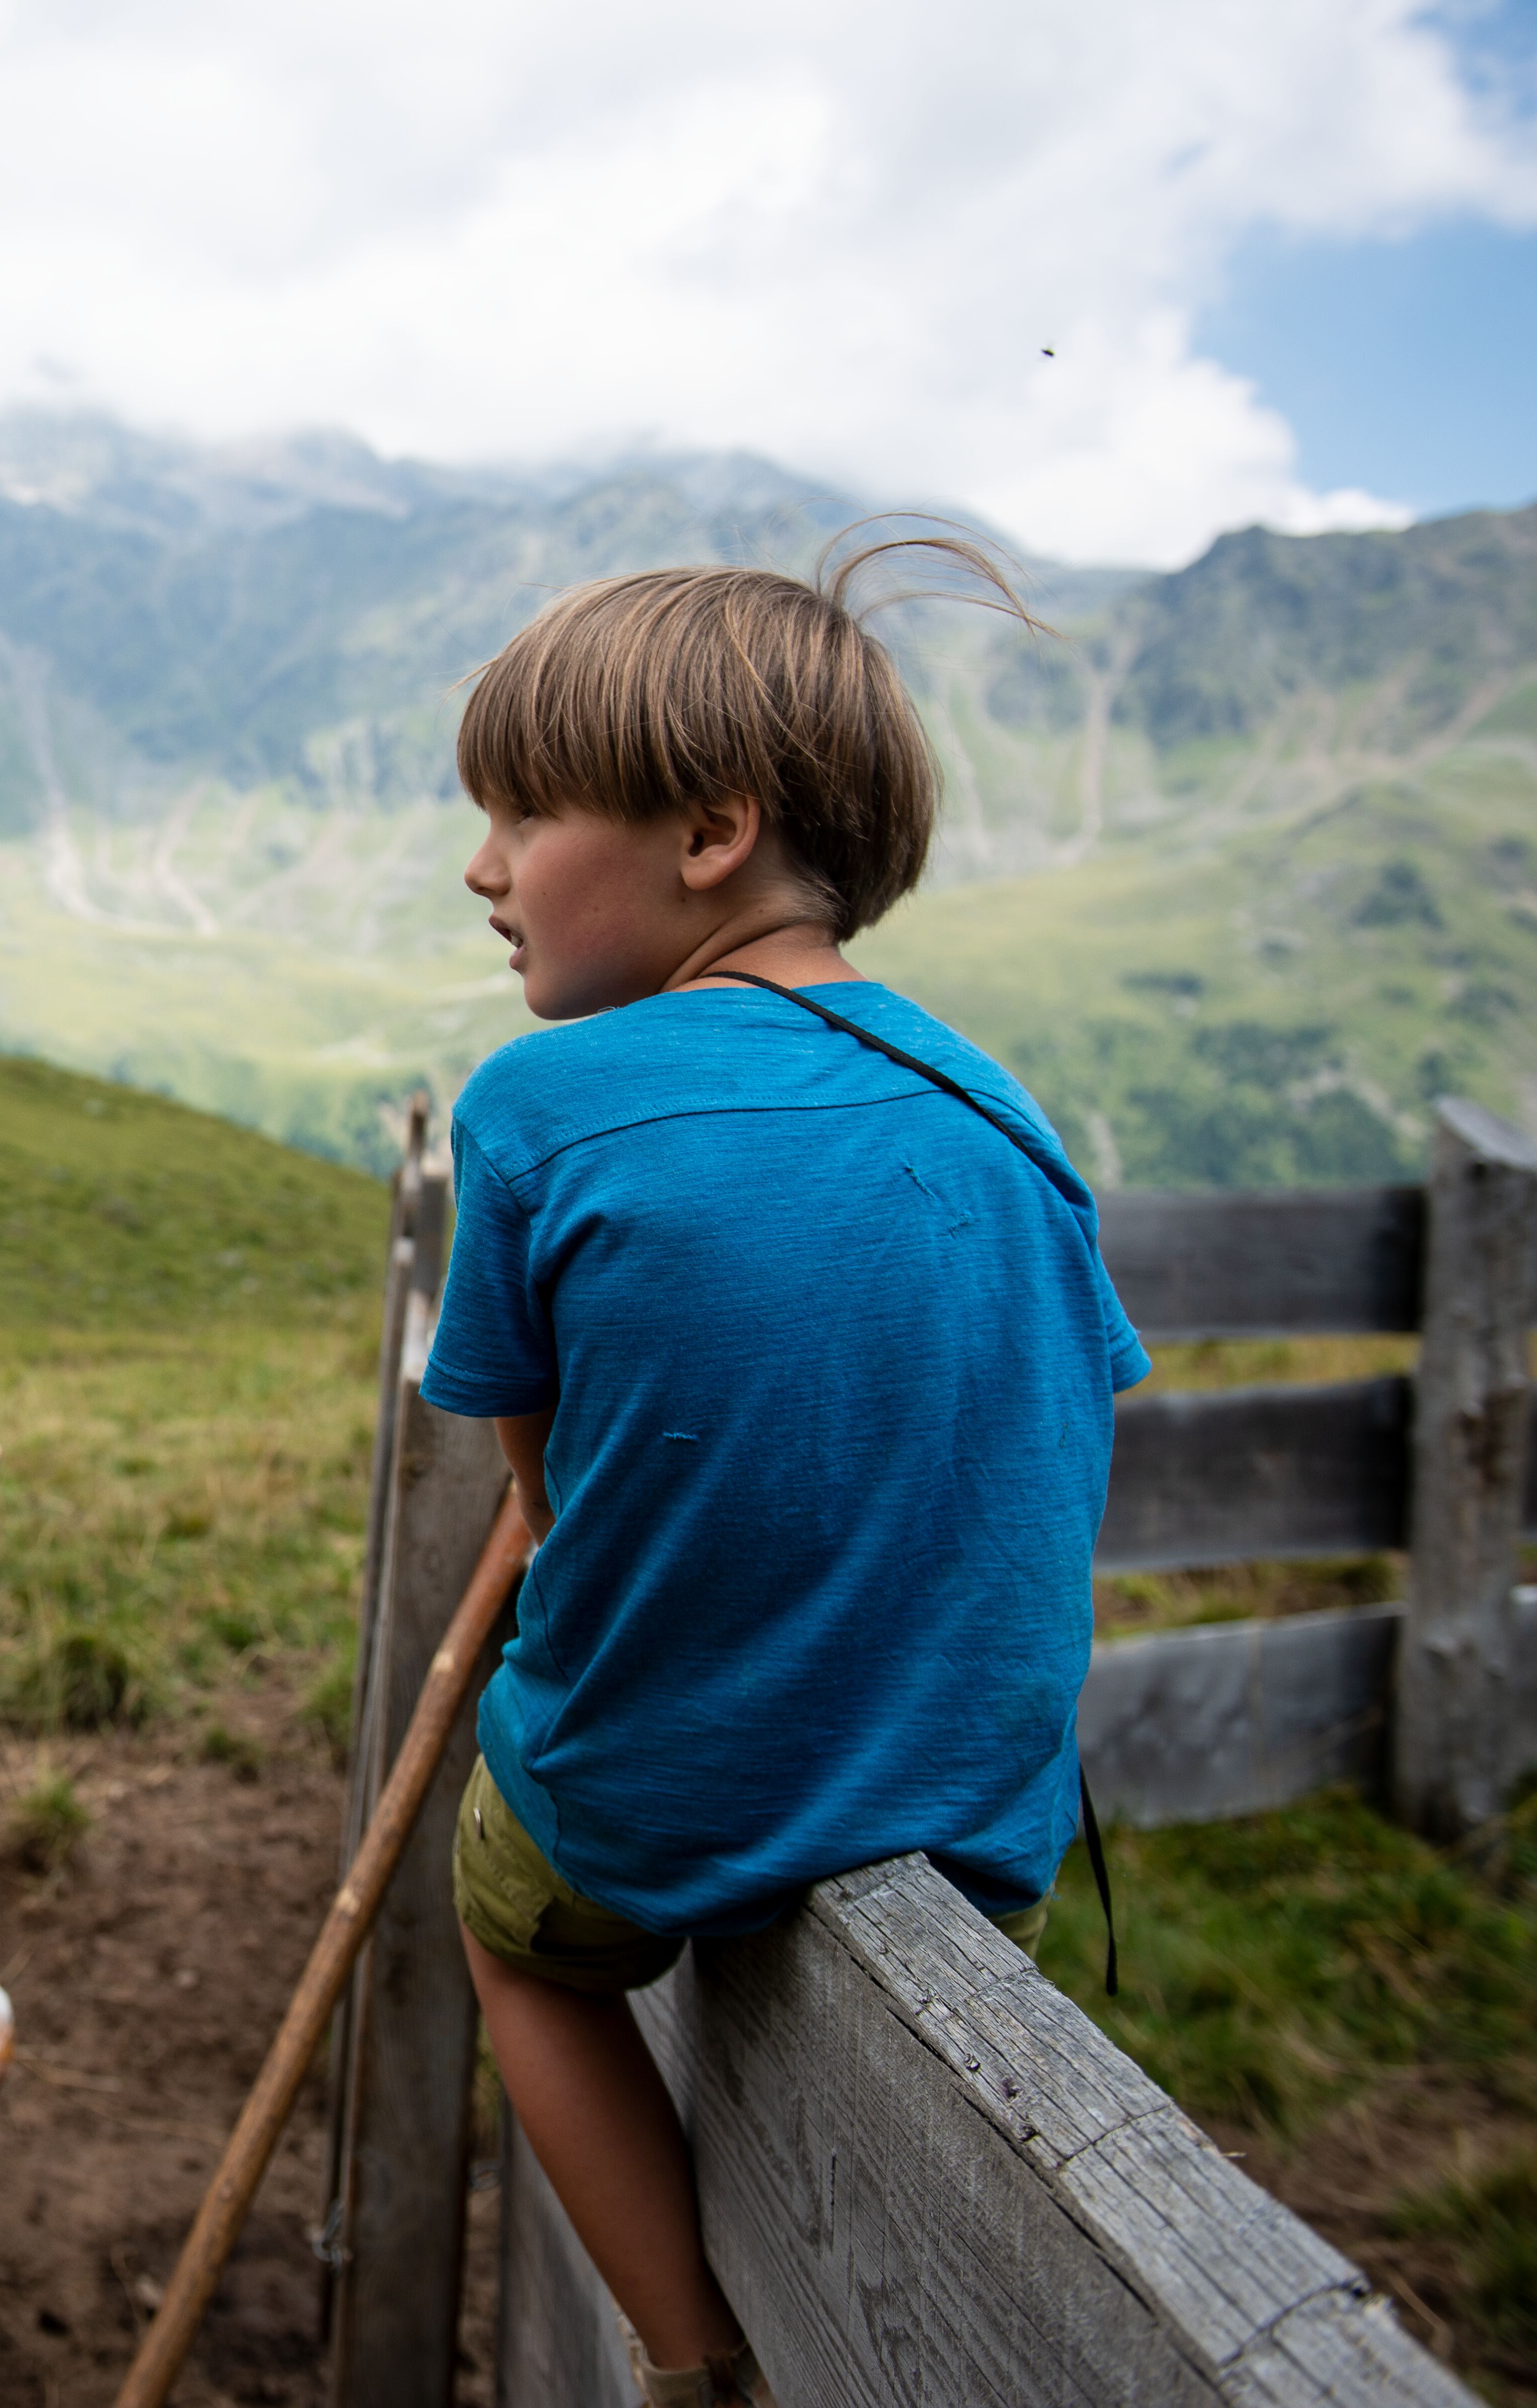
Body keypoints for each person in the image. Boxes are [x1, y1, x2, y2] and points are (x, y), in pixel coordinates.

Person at [416, 535, 1149, 2408]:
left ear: (712, 828)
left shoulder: (538, 1105)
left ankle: (690, 2350)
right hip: (975, 1818)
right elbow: (1059, 1413)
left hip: (648, 1800)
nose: (485, 867)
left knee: (515, 1934)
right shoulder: (1009, 1113)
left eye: (523, 811)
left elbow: (551, 1482)